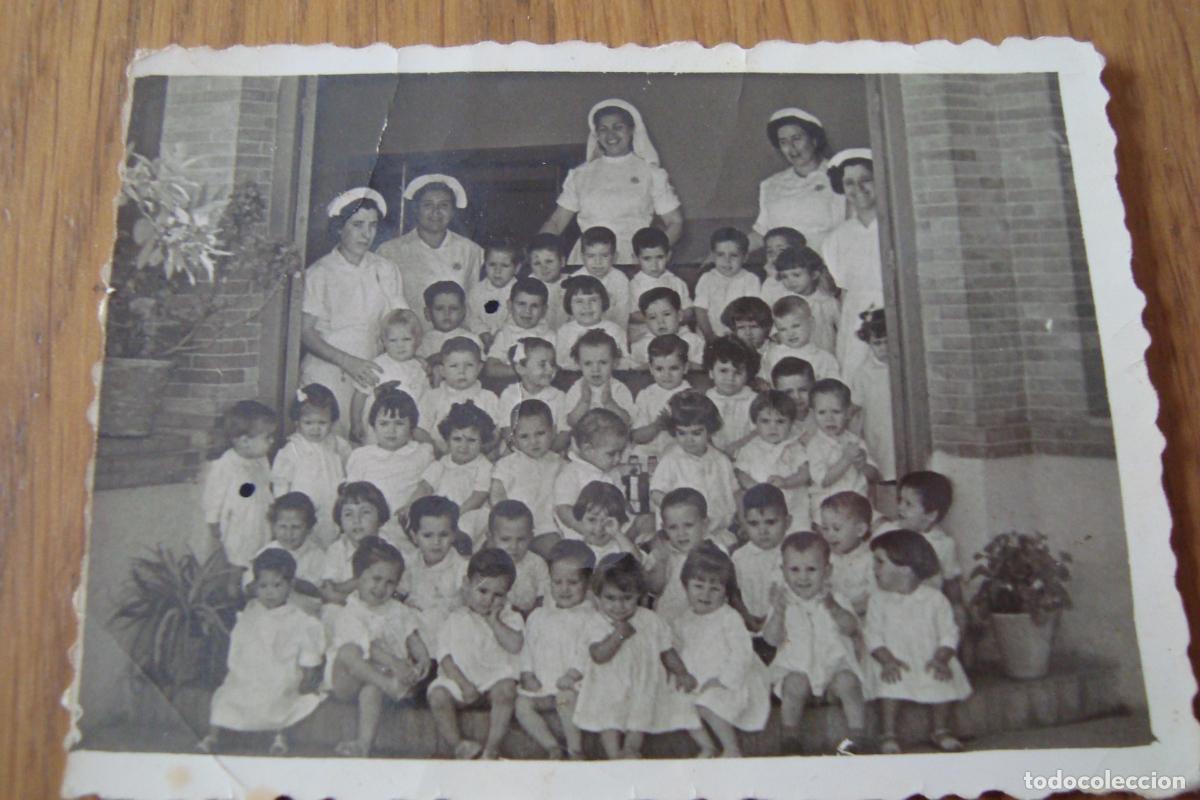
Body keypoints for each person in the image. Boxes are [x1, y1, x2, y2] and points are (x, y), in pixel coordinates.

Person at [301, 188, 408, 436]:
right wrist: (347, 362)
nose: (366, 233)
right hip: (329, 373)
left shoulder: (386, 268)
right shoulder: (320, 272)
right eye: (357, 225)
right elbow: (306, 333)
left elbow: (399, 319)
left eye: (372, 225)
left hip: (372, 371)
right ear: (340, 228)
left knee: (369, 440)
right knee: (331, 442)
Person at [201, 549, 325, 756]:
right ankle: (212, 736)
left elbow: (309, 657)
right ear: (255, 586)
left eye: (277, 585)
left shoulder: (301, 620)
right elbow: (240, 646)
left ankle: (279, 736)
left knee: (280, 701)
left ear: (291, 585)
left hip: (281, 674)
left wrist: (306, 679)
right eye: (263, 586)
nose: (270, 592)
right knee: (225, 697)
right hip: (249, 674)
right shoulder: (250, 611)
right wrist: (240, 671)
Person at [573, 553, 695, 759]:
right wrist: (618, 635)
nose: (619, 606)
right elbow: (598, 655)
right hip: (607, 683)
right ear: (597, 596)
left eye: (627, 598)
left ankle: (631, 748)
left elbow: (666, 650)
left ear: (639, 595)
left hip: (643, 681)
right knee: (608, 718)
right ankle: (614, 754)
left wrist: (682, 673)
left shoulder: (650, 620)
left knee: (640, 715)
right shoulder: (596, 622)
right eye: (610, 598)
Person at [540, 99, 683, 266]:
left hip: (631, 261)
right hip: (588, 260)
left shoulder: (651, 173)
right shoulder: (580, 174)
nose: (611, 135)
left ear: (631, 131)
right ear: (596, 135)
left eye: (618, 127)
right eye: (603, 129)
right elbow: (556, 223)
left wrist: (649, 255)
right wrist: (537, 253)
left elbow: (675, 223)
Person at [867, 529, 972, 754]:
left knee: (940, 679)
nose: (874, 569)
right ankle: (888, 732)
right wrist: (887, 660)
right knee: (890, 683)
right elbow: (873, 635)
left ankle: (941, 729)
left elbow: (948, 633)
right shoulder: (878, 601)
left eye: (880, 562)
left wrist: (941, 658)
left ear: (905, 569)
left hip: (930, 657)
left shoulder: (934, 599)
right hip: (893, 660)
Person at [325, 537, 431, 757]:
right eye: (376, 578)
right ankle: (387, 685)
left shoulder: (399, 611)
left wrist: (423, 660)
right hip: (349, 680)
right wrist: (395, 665)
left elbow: (413, 639)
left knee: (372, 690)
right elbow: (368, 648)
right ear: (358, 578)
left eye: (390, 582)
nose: (382, 587)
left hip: (381, 680)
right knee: (348, 651)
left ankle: (363, 745)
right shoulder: (350, 611)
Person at [764, 532, 866, 755]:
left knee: (849, 681)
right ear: (783, 572)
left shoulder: (836, 599)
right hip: (798, 673)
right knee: (794, 684)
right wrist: (778, 612)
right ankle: (790, 737)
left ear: (827, 571)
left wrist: (833, 608)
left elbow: (851, 628)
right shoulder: (782, 603)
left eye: (811, 569)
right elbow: (771, 639)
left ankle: (856, 738)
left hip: (832, 676)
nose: (803, 578)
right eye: (794, 570)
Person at [671, 543, 771, 757]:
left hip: (732, 680)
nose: (706, 594)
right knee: (679, 704)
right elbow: (678, 654)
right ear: (685, 586)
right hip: (698, 679)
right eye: (698, 586)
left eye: (715, 588)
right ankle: (707, 746)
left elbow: (741, 654)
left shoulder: (729, 618)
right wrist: (681, 677)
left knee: (708, 702)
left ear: (726, 593)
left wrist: (723, 680)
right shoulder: (682, 621)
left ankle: (732, 748)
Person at [427, 548, 524, 760]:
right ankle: (458, 745)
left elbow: (515, 645)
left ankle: (491, 748)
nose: (488, 600)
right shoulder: (454, 617)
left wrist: (493, 621)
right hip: (460, 683)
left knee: (507, 690)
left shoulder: (509, 617)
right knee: (437, 696)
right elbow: (445, 657)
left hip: (493, 681)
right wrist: (463, 684)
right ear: (466, 584)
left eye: (497, 594)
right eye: (482, 591)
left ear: (507, 595)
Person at [515, 540, 598, 759]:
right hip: (542, 683)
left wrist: (573, 674)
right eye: (557, 581)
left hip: (573, 685)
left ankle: (575, 749)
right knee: (522, 706)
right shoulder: (538, 616)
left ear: (588, 583)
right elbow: (527, 647)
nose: (564, 588)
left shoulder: (591, 617)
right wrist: (527, 672)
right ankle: (551, 746)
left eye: (572, 582)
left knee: (565, 699)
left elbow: (589, 650)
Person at [377, 174, 484, 319]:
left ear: (453, 211)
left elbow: (475, 303)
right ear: (416, 209)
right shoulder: (390, 251)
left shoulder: (471, 251)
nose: (436, 212)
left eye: (444, 205)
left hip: (457, 338)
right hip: (406, 338)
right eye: (428, 205)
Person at [649, 392, 739, 548]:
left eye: (696, 433)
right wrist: (679, 513)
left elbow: (733, 492)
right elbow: (656, 492)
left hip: (716, 533)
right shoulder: (671, 460)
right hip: (681, 536)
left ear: (710, 430)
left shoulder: (720, 460)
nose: (689, 439)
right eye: (681, 433)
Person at [823, 148, 883, 379]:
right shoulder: (837, 239)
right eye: (849, 182)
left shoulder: (896, 229)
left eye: (865, 180)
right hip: (856, 321)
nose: (858, 189)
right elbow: (845, 294)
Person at [752, 108, 846, 253]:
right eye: (783, 142)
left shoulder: (841, 176)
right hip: (784, 272)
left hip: (828, 268)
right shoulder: (770, 185)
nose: (791, 148)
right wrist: (712, 259)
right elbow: (761, 233)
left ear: (814, 140)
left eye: (796, 138)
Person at [271, 385, 352, 546]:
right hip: (302, 515)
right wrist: (284, 515)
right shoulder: (291, 450)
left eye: (322, 423)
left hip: (331, 509)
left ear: (332, 421)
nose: (315, 428)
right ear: (297, 422)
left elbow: (350, 471)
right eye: (308, 423)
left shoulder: (338, 446)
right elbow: (280, 486)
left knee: (331, 544)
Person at [406, 402, 496, 542]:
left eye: (471, 440)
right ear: (447, 440)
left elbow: (478, 496)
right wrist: (410, 505)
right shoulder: (442, 464)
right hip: (440, 514)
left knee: (467, 525)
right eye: (457, 439)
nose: (463, 446)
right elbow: (425, 487)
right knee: (422, 522)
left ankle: (460, 545)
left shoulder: (484, 466)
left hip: (469, 511)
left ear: (482, 442)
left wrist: (456, 514)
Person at [203, 400, 276, 570]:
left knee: (258, 561)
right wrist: (213, 522)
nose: (272, 441)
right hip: (238, 524)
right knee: (237, 563)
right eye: (267, 437)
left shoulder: (261, 461)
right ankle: (233, 590)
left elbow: (265, 487)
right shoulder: (226, 464)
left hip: (260, 520)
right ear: (244, 440)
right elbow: (213, 498)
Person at [344, 384, 435, 518]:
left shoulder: (423, 453)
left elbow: (429, 489)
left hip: (409, 523)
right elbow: (351, 497)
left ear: (412, 426)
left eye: (399, 423)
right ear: (373, 425)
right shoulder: (361, 456)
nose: (391, 431)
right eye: (384, 424)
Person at [348, 310, 430, 445]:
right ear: (384, 342)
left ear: (417, 340)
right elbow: (360, 396)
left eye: (406, 339)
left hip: (407, 426)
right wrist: (355, 422)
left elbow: (425, 398)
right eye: (393, 340)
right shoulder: (377, 366)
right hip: (379, 426)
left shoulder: (419, 367)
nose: (400, 345)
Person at [399, 495, 470, 649]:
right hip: (414, 635)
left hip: (448, 637)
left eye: (443, 535)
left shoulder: (462, 568)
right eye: (428, 535)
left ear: (454, 534)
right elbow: (399, 594)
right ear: (414, 536)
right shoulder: (408, 564)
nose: (436, 542)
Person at [490, 400, 566, 546]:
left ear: (553, 431)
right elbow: (497, 495)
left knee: (553, 548)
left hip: (546, 528)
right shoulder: (507, 464)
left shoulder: (560, 464)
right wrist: (507, 522)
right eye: (524, 436)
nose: (534, 441)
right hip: (514, 529)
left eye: (540, 433)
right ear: (514, 438)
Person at [733, 391, 810, 529]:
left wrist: (786, 482)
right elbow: (740, 473)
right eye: (765, 421)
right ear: (755, 423)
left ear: (792, 423)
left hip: (794, 504)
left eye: (780, 421)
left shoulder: (794, 446)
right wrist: (757, 488)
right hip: (762, 507)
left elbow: (805, 473)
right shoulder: (750, 448)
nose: (772, 427)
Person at [805, 378, 880, 518]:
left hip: (858, 507)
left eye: (836, 411)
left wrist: (863, 465)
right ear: (813, 414)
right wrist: (846, 459)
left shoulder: (856, 441)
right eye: (822, 413)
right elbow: (823, 480)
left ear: (847, 413)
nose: (829, 418)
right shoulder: (815, 446)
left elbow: (874, 476)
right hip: (829, 511)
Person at [645, 487, 721, 622]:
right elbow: (654, 589)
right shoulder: (662, 551)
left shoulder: (716, 552)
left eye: (688, 525)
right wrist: (662, 562)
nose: (681, 533)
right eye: (673, 527)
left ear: (705, 524)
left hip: (703, 625)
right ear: (664, 528)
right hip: (668, 624)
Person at [553, 408, 628, 541]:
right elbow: (563, 510)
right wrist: (587, 531)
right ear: (587, 449)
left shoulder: (612, 472)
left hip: (610, 534)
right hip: (581, 538)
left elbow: (621, 506)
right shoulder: (571, 473)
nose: (618, 459)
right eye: (611, 454)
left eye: (621, 453)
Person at [417, 337, 500, 453]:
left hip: (478, 457)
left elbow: (496, 432)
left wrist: (482, 451)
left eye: (469, 365)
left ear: (479, 368)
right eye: (454, 366)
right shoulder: (432, 397)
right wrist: (435, 451)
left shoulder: (488, 397)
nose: (462, 371)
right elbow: (420, 430)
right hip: (439, 456)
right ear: (442, 370)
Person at [318, 481, 392, 605]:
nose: (356, 520)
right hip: (344, 609)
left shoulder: (390, 548)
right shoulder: (337, 549)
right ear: (340, 521)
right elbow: (328, 589)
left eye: (365, 512)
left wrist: (347, 590)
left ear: (380, 516)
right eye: (348, 514)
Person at [763, 246, 841, 356]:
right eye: (785, 276)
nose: (790, 281)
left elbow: (843, 330)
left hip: (823, 354)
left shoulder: (827, 302)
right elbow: (776, 326)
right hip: (794, 356)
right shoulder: (783, 301)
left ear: (814, 274)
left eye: (796, 275)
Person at [732, 484, 790, 632]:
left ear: (788, 522)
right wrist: (749, 620)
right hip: (751, 624)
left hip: (787, 624)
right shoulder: (739, 557)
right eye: (754, 523)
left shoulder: (792, 554)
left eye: (770, 522)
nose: (762, 530)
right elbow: (734, 595)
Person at [494, 337, 569, 449]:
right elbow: (507, 431)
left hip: (550, 453)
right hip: (517, 453)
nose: (550, 369)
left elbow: (564, 433)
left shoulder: (558, 396)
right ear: (521, 369)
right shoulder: (510, 394)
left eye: (552, 364)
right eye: (542, 364)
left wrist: (545, 455)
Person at [849, 308, 895, 482]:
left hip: (897, 426)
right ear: (869, 343)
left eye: (887, 342)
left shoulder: (903, 365)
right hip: (878, 428)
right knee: (885, 468)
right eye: (877, 343)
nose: (883, 348)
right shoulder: (864, 372)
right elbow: (857, 407)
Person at [630, 334, 692, 458]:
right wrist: (657, 425)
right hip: (650, 451)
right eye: (659, 369)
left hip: (678, 453)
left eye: (673, 368)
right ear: (651, 369)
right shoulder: (646, 395)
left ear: (685, 368)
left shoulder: (690, 395)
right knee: (637, 453)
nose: (666, 375)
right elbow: (637, 436)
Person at [693, 227, 762, 339]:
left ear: (745, 258)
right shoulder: (707, 279)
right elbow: (700, 311)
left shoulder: (751, 280)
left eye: (734, 255)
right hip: (709, 335)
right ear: (713, 256)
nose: (727, 261)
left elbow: (753, 313)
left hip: (739, 337)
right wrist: (710, 336)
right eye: (720, 255)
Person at [251, 492, 326, 595]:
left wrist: (289, 580)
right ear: (273, 527)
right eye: (283, 526)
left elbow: (317, 590)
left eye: (296, 527)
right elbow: (250, 586)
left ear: (309, 528)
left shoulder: (317, 555)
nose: (288, 533)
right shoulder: (265, 552)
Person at [554, 274, 629, 371]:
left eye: (593, 300)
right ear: (569, 305)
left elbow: (623, 361)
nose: (586, 306)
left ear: (603, 302)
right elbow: (560, 362)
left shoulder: (614, 330)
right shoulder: (564, 331)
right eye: (579, 301)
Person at [485, 278, 554, 382]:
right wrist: (523, 371)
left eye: (534, 306)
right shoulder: (504, 334)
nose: (527, 311)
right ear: (509, 305)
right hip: (510, 385)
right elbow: (490, 368)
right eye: (521, 304)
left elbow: (555, 370)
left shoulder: (550, 336)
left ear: (544, 310)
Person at [487, 500, 549, 615]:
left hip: (530, 617)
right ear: (491, 538)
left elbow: (544, 596)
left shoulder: (536, 563)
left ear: (531, 537)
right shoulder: (485, 564)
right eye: (505, 539)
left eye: (521, 539)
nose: (514, 547)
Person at [820, 491, 876, 618]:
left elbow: (875, 597)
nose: (830, 534)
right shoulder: (824, 557)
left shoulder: (870, 559)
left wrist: (850, 611)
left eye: (836, 528)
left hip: (861, 618)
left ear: (860, 530)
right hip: (829, 617)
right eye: (825, 528)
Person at [563, 329, 635, 427]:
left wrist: (609, 403)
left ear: (615, 362)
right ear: (579, 364)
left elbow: (627, 421)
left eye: (603, 362)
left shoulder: (618, 388)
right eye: (588, 363)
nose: (595, 369)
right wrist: (584, 402)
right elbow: (571, 422)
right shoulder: (577, 388)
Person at [702, 336, 761, 454]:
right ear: (711, 372)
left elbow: (759, 431)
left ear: (748, 374)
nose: (730, 378)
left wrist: (738, 446)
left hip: (748, 455)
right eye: (723, 371)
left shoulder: (754, 400)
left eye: (738, 372)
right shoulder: (705, 400)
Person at [763, 295, 841, 381]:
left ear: (811, 323)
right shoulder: (772, 355)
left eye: (796, 326)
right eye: (783, 329)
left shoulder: (825, 359)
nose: (790, 333)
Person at [628, 288, 704, 372]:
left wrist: (687, 365)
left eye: (666, 314)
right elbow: (634, 375)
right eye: (652, 317)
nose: (660, 322)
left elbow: (704, 370)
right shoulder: (641, 345)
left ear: (679, 315)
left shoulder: (693, 340)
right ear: (646, 321)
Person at [467, 237, 523, 347]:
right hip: (481, 340)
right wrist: (482, 332)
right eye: (492, 264)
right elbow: (471, 316)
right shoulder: (477, 290)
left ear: (517, 268)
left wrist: (501, 334)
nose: (497, 271)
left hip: (510, 339)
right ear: (485, 264)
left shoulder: (520, 292)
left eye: (505, 265)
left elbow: (518, 317)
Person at [576, 226, 631, 328]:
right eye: (591, 256)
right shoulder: (575, 279)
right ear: (582, 257)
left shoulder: (620, 279)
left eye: (604, 256)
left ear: (615, 257)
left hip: (612, 330)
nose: (598, 262)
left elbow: (622, 316)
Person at [572, 480, 638, 562]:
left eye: (608, 522)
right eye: (592, 520)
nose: (599, 528)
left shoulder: (621, 548)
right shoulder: (575, 550)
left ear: (619, 523)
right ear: (580, 517)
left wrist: (618, 534)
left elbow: (635, 563)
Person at [527, 233, 570, 331]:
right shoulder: (529, 285)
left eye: (549, 261)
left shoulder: (570, 282)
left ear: (562, 261)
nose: (543, 268)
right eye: (537, 263)